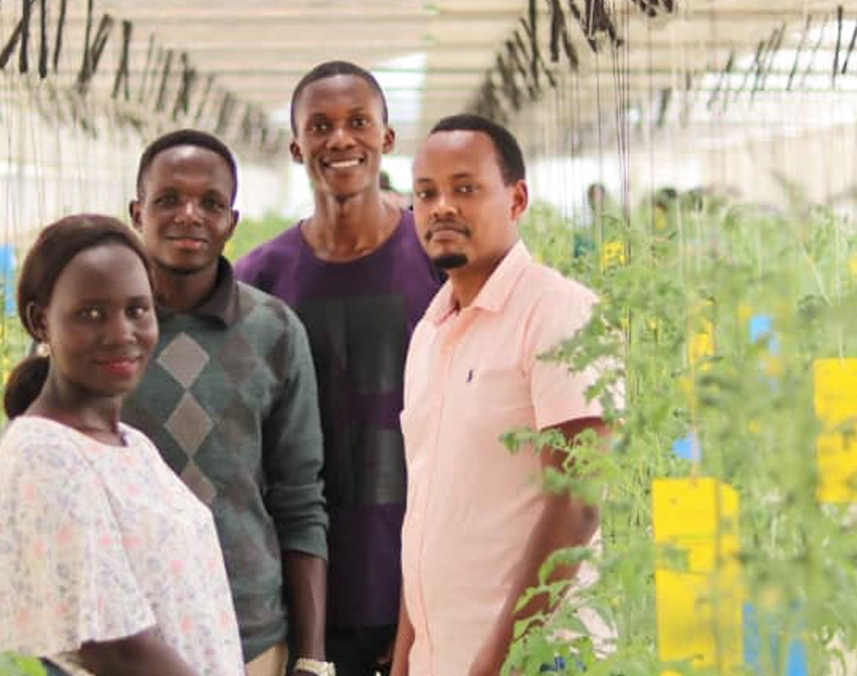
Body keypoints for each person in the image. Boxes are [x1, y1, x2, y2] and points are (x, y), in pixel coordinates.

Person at [235, 61, 444, 676]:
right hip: (303, 586)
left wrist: (424, 607)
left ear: (387, 137)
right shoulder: (261, 279)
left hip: (418, 578)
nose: (340, 140)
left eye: (358, 122)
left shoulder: (435, 262)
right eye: (320, 126)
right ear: (297, 145)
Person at [0, 215, 245, 676]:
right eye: (91, 313)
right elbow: (114, 647)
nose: (122, 333)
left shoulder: (130, 446)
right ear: (41, 321)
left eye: (137, 309)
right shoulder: (44, 454)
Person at [391, 114, 611, 676]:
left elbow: (579, 501)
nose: (442, 206)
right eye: (426, 192)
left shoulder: (559, 313)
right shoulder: (430, 332)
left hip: (538, 660)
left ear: (516, 199)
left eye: (465, 188)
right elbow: (425, 513)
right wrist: (405, 661)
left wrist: (499, 661)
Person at [123, 129, 330, 676]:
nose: (189, 215)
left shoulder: (275, 330)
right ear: (136, 213)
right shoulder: (93, 332)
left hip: (250, 637)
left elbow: (300, 500)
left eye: (210, 203)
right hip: (119, 635)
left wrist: (310, 658)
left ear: (232, 222)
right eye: (168, 200)